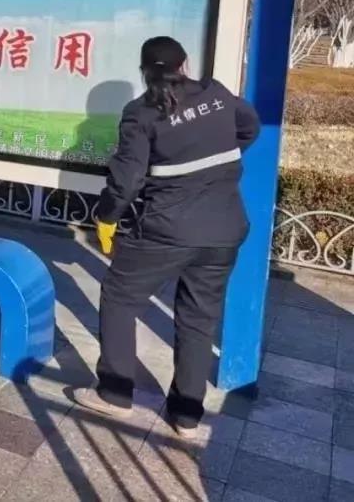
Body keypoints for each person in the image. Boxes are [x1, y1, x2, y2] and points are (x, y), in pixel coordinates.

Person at [75, 36, 260, 438]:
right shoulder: (216, 94)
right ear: (185, 64)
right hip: (224, 230)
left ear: (144, 71)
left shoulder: (140, 113)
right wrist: (213, 161)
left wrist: (106, 217)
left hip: (166, 230)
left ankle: (115, 393)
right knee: (199, 319)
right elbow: (250, 126)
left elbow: (126, 181)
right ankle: (187, 417)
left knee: (120, 296)